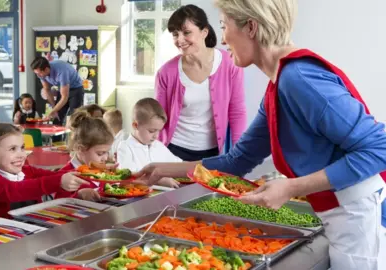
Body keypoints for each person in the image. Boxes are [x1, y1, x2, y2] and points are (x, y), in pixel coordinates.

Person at [137, 0, 386, 268]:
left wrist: (291, 187)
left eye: (224, 26)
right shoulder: (278, 87)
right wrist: (163, 169)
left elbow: (379, 148)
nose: (222, 38)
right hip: (341, 213)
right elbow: (237, 162)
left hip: (359, 215)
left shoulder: (299, 78)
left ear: (251, 28)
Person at [155, 4, 247, 161]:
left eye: (186, 32)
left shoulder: (229, 64)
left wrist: (240, 155)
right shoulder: (166, 73)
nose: (180, 40)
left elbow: (237, 112)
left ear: (204, 32)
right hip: (173, 150)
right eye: (175, 34)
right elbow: (157, 118)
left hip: (212, 152)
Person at [0, 123, 92, 219]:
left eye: (22, 148)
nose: (21, 155)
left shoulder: (26, 171)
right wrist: (59, 181)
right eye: (13, 149)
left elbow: (57, 175)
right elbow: (17, 190)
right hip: (3, 241)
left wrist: (87, 174)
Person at [117, 98, 181, 188]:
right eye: (151, 131)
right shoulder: (125, 147)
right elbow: (127, 175)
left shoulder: (158, 146)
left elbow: (177, 164)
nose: (156, 136)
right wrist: (159, 180)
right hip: (139, 198)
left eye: (159, 131)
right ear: (136, 125)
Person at [58, 110, 118, 201]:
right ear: (80, 149)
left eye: (107, 152)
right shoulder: (65, 175)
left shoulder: (102, 169)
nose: (105, 158)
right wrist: (79, 196)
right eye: (100, 153)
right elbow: (57, 206)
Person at [30, 57, 84, 126]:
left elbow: (64, 97)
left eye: (39, 73)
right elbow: (47, 89)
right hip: (62, 88)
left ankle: (74, 136)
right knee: (57, 116)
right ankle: (56, 136)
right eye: (36, 73)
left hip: (76, 89)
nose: (38, 75)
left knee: (75, 117)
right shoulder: (41, 74)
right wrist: (54, 108)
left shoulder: (61, 71)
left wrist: (53, 111)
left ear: (46, 69)